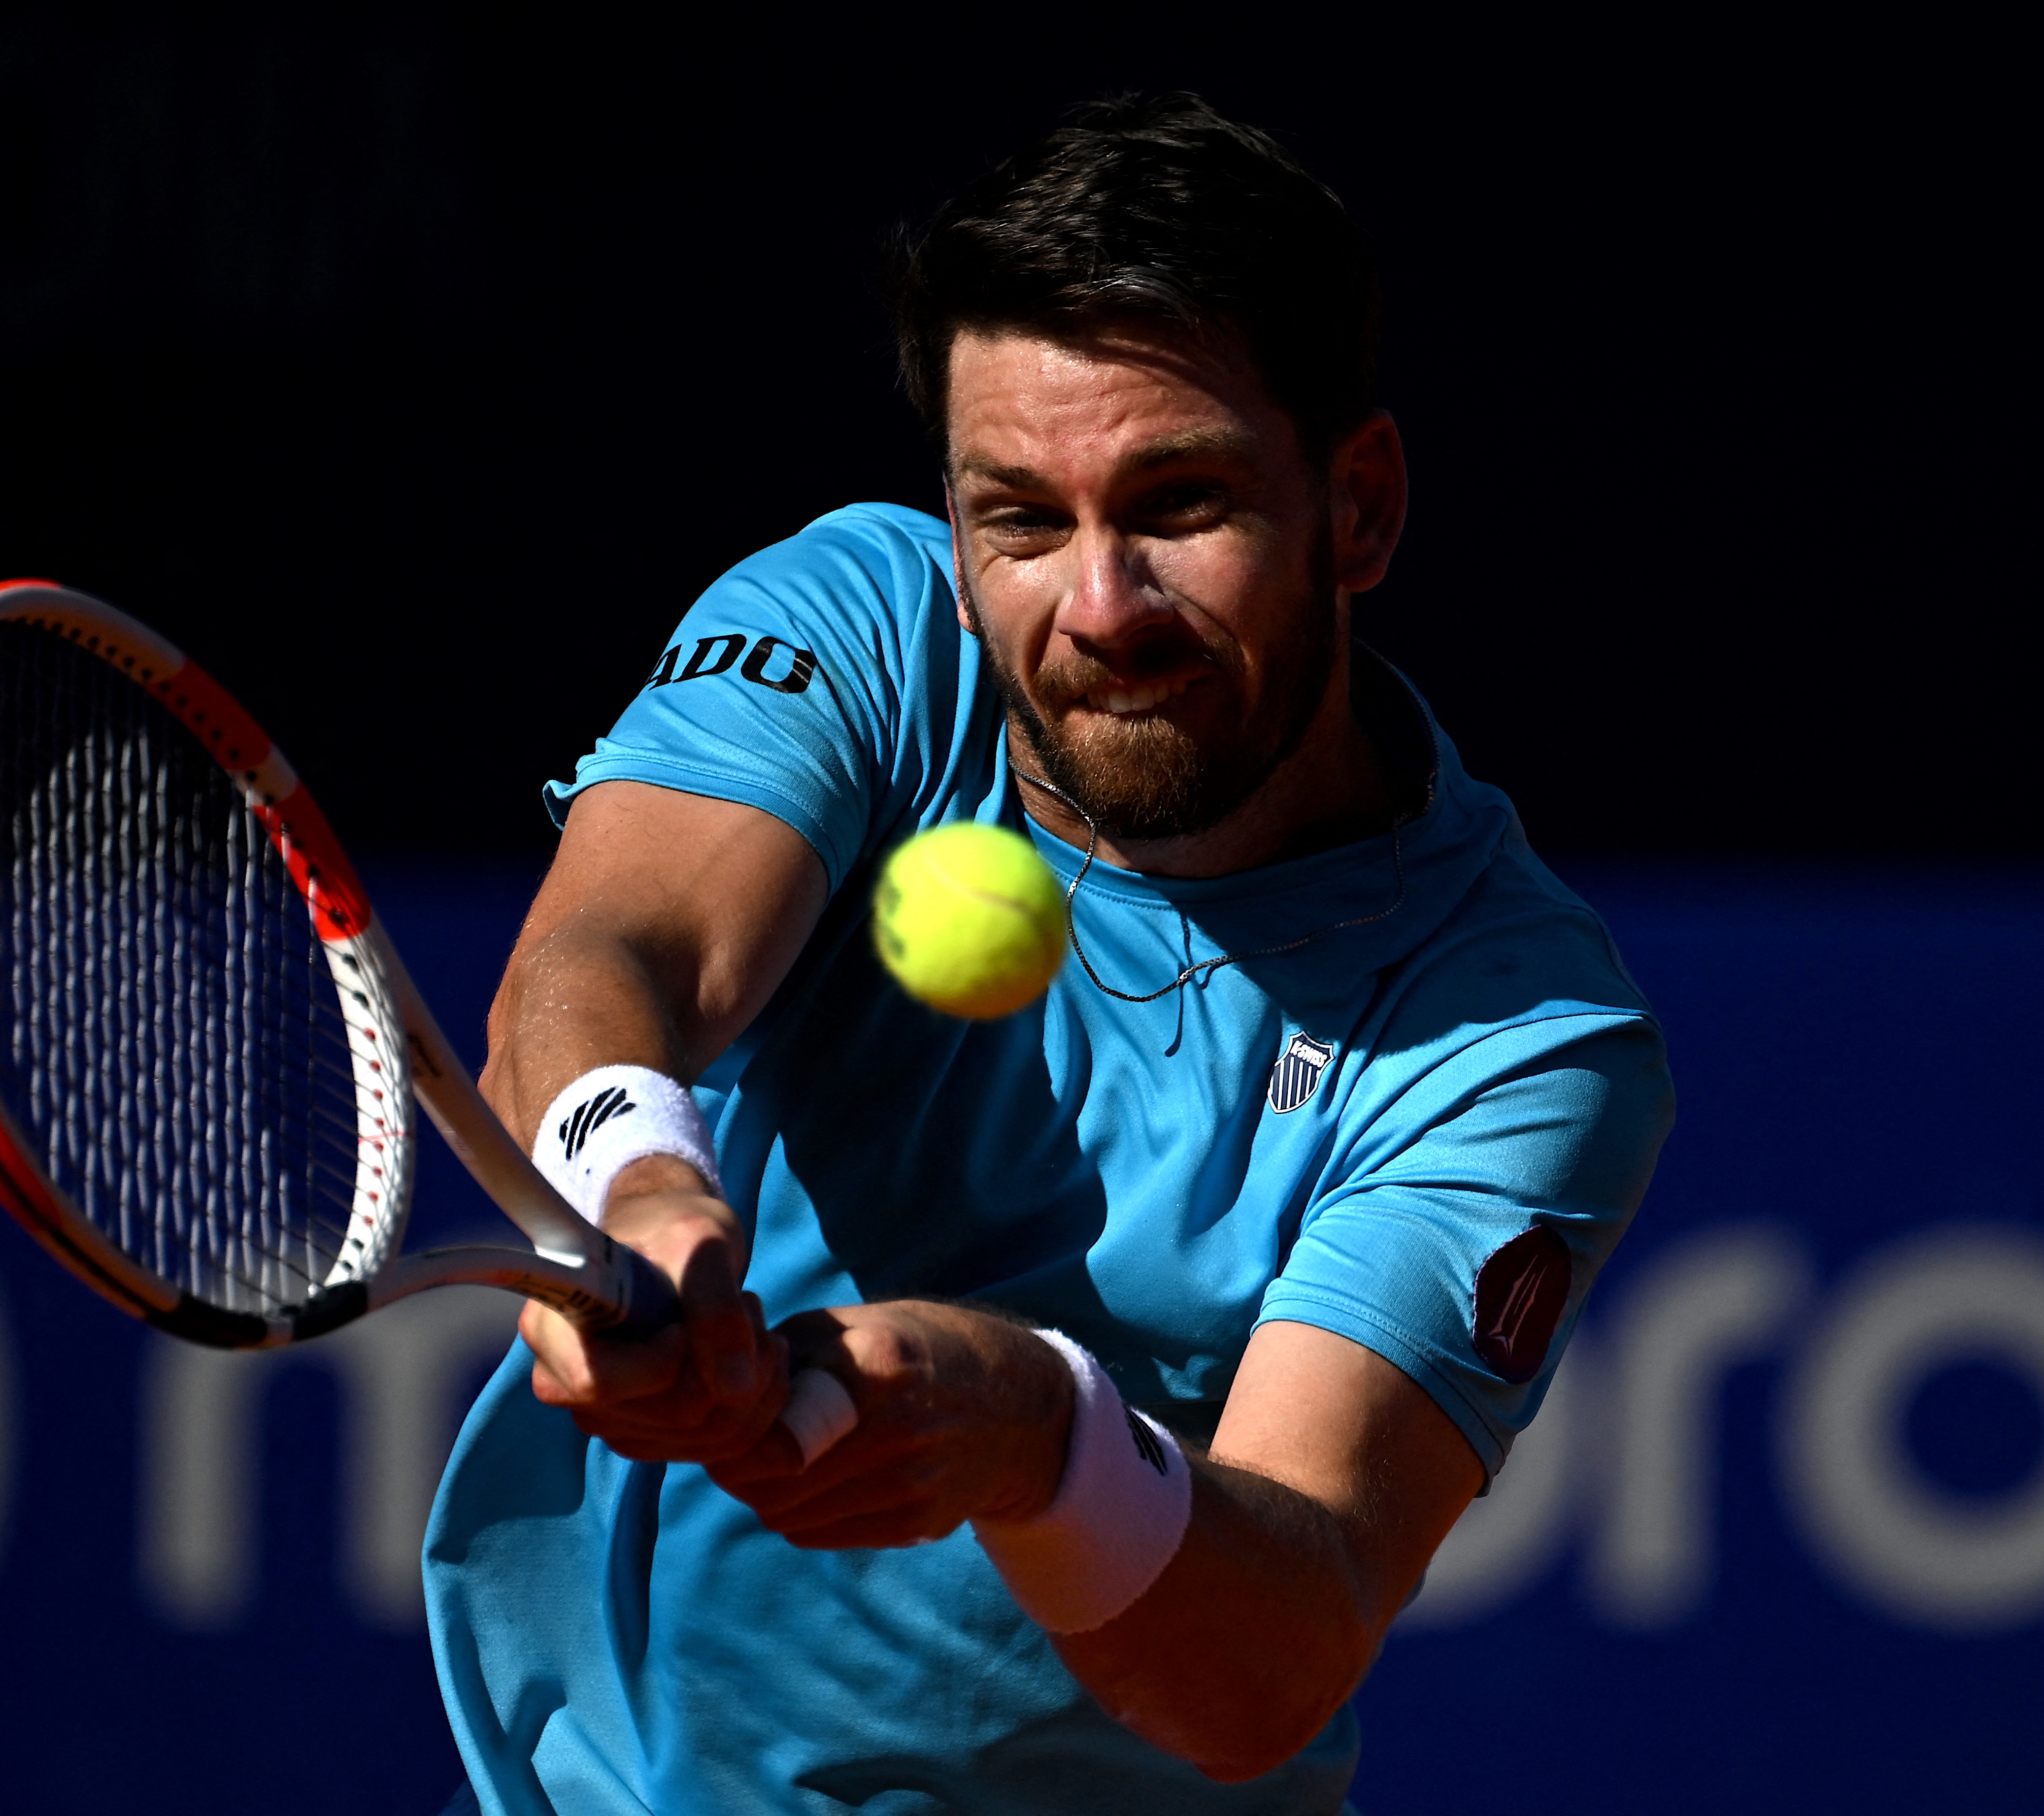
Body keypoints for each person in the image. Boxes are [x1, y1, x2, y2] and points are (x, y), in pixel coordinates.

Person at [425, 93, 1673, 1814]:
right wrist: (637, 1184)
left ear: (1360, 507)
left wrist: (1041, 1435)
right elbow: (606, 955)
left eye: (1180, 501)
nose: (1098, 604)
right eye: (1019, 518)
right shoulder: (865, 618)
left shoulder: (1515, 1028)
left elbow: (1267, 1662)